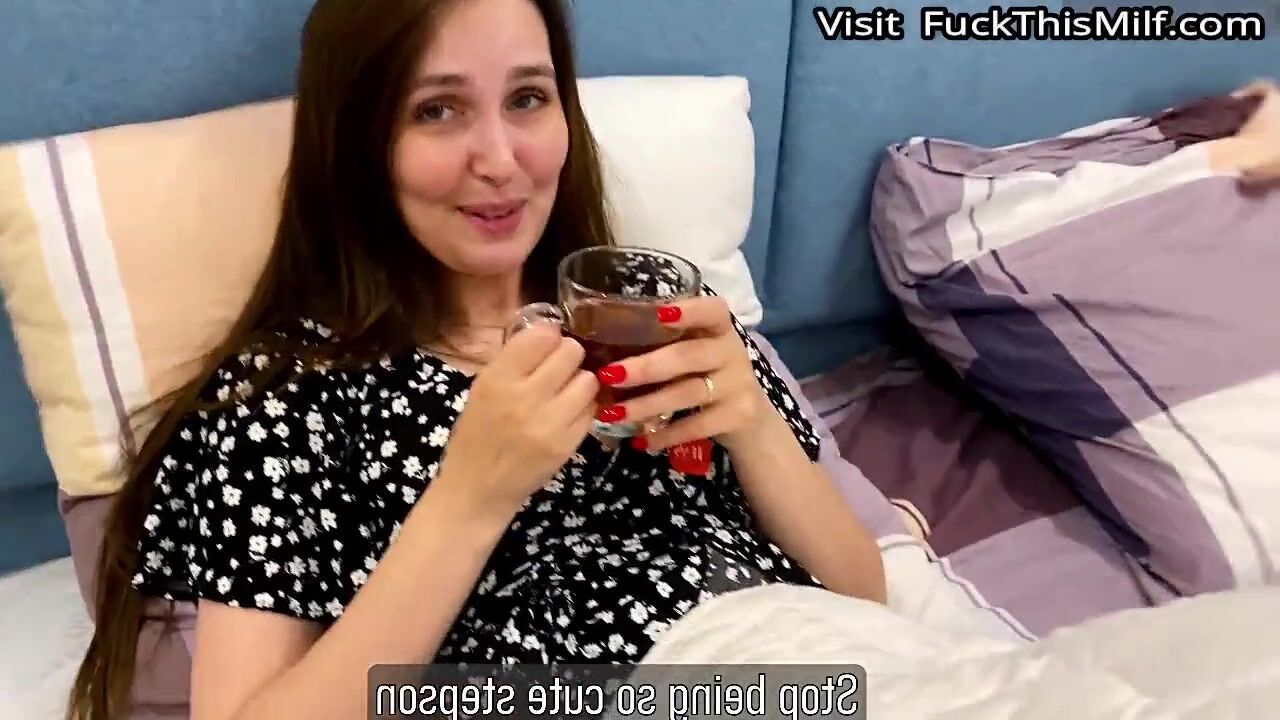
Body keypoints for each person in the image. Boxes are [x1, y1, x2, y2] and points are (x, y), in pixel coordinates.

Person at [67, 0, 887, 718]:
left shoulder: (650, 313)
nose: (499, 160)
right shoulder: (287, 397)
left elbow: (865, 597)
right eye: (437, 111)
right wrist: (470, 496)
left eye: (527, 99)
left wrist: (753, 426)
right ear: (359, 141)